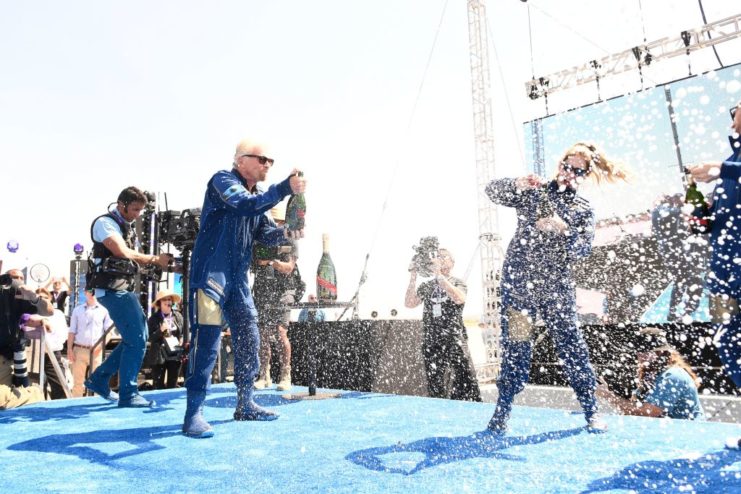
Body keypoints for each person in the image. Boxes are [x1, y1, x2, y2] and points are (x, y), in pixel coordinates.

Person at [484, 142, 628, 435]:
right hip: (520, 284)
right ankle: (502, 412)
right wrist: (516, 183)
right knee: (517, 344)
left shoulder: (583, 209)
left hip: (556, 287)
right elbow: (491, 191)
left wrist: (564, 229)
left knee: (571, 344)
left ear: (585, 174)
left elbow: (581, 250)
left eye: (577, 170)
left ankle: (590, 410)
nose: (568, 173)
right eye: (566, 165)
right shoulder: (534, 191)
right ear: (559, 164)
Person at [182, 137, 306, 438]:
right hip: (210, 277)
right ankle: (193, 413)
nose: (267, 165)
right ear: (241, 161)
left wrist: (288, 232)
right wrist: (284, 189)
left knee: (250, 336)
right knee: (207, 344)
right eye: (262, 160)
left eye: (270, 162)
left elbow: (265, 234)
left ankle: (245, 403)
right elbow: (243, 205)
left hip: (237, 281)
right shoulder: (223, 181)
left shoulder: (258, 195)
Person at [84, 186, 173, 407]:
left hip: (122, 289)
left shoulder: (126, 226)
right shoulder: (105, 223)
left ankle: (99, 379)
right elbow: (122, 252)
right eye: (134, 209)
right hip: (112, 291)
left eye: (140, 210)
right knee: (138, 340)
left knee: (137, 338)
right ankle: (129, 394)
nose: (137, 215)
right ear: (121, 204)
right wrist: (155, 259)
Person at [687, 100, 740, 448]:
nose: (737, 110)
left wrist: (720, 169)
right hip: (723, 274)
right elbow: (720, 222)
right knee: (727, 341)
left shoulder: (730, 166)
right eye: (735, 108)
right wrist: (704, 217)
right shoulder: (731, 164)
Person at [405, 248, 481, 402]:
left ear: (452, 263)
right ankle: (438, 406)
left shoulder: (458, 282)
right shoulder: (427, 286)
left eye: (443, 256)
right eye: (437, 256)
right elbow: (409, 303)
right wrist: (413, 275)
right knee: (435, 380)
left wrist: (439, 275)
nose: (439, 258)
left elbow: (459, 298)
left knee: (466, 375)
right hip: (432, 338)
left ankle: (471, 406)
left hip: (454, 338)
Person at [596, 328, 704, 420]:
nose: (639, 355)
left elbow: (649, 412)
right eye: (638, 351)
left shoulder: (672, 376)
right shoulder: (652, 375)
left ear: (660, 352)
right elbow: (635, 407)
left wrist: (608, 395)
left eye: (644, 351)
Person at [252, 204, 300, 391]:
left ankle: (285, 375)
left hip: (284, 291)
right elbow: (254, 264)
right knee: (263, 334)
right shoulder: (260, 240)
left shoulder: (291, 240)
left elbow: (289, 268)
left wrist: (272, 262)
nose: (276, 226)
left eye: (278, 223)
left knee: (280, 332)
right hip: (263, 289)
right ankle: (264, 374)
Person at [0, 269, 53, 407]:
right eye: (14, 278)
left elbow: (48, 311)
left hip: (5, 358)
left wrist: (34, 298)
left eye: (21, 278)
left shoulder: (21, 297)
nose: (18, 282)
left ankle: (33, 394)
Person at [650, 194, 705, 322]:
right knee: (690, 280)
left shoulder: (657, 212)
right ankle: (685, 311)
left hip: (669, 251)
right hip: (675, 251)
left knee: (681, 280)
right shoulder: (662, 210)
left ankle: (674, 312)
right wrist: (682, 205)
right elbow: (679, 212)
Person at [24, 288, 69, 399]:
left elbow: (63, 334)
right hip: (32, 355)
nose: (42, 300)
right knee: (33, 386)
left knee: (60, 386)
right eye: (39, 298)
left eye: (45, 298)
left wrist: (49, 339)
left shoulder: (58, 314)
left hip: (52, 354)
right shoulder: (29, 314)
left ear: (50, 299)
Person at [67, 289, 114, 397]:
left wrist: (100, 346)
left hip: (96, 351)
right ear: (85, 292)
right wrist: (69, 349)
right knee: (78, 383)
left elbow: (109, 332)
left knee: (96, 382)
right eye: (90, 290)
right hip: (79, 349)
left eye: (94, 291)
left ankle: (93, 408)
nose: (92, 293)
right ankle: (76, 407)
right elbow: (72, 330)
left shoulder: (104, 310)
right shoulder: (77, 310)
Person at [146, 290, 184, 389]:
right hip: (159, 355)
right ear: (160, 303)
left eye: (169, 300)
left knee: (172, 383)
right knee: (158, 385)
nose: (168, 302)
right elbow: (149, 338)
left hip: (174, 353)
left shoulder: (178, 316)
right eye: (165, 300)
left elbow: (183, 333)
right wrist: (160, 330)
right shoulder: (153, 319)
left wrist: (181, 339)